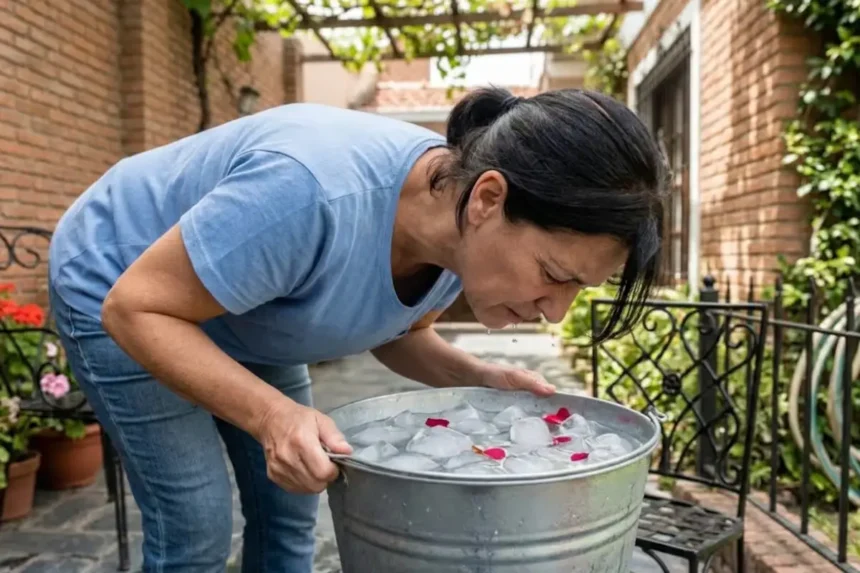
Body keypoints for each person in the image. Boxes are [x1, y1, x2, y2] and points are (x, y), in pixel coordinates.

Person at [47, 86, 666, 573]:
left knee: (292, 505)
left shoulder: (459, 233)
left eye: (575, 289)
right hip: (121, 280)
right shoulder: (310, 191)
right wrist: (271, 416)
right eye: (553, 274)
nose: (554, 310)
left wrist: (479, 375)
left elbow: (392, 327)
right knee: (196, 522)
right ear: (487, 200)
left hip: (247, 304)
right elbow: (137, 309)